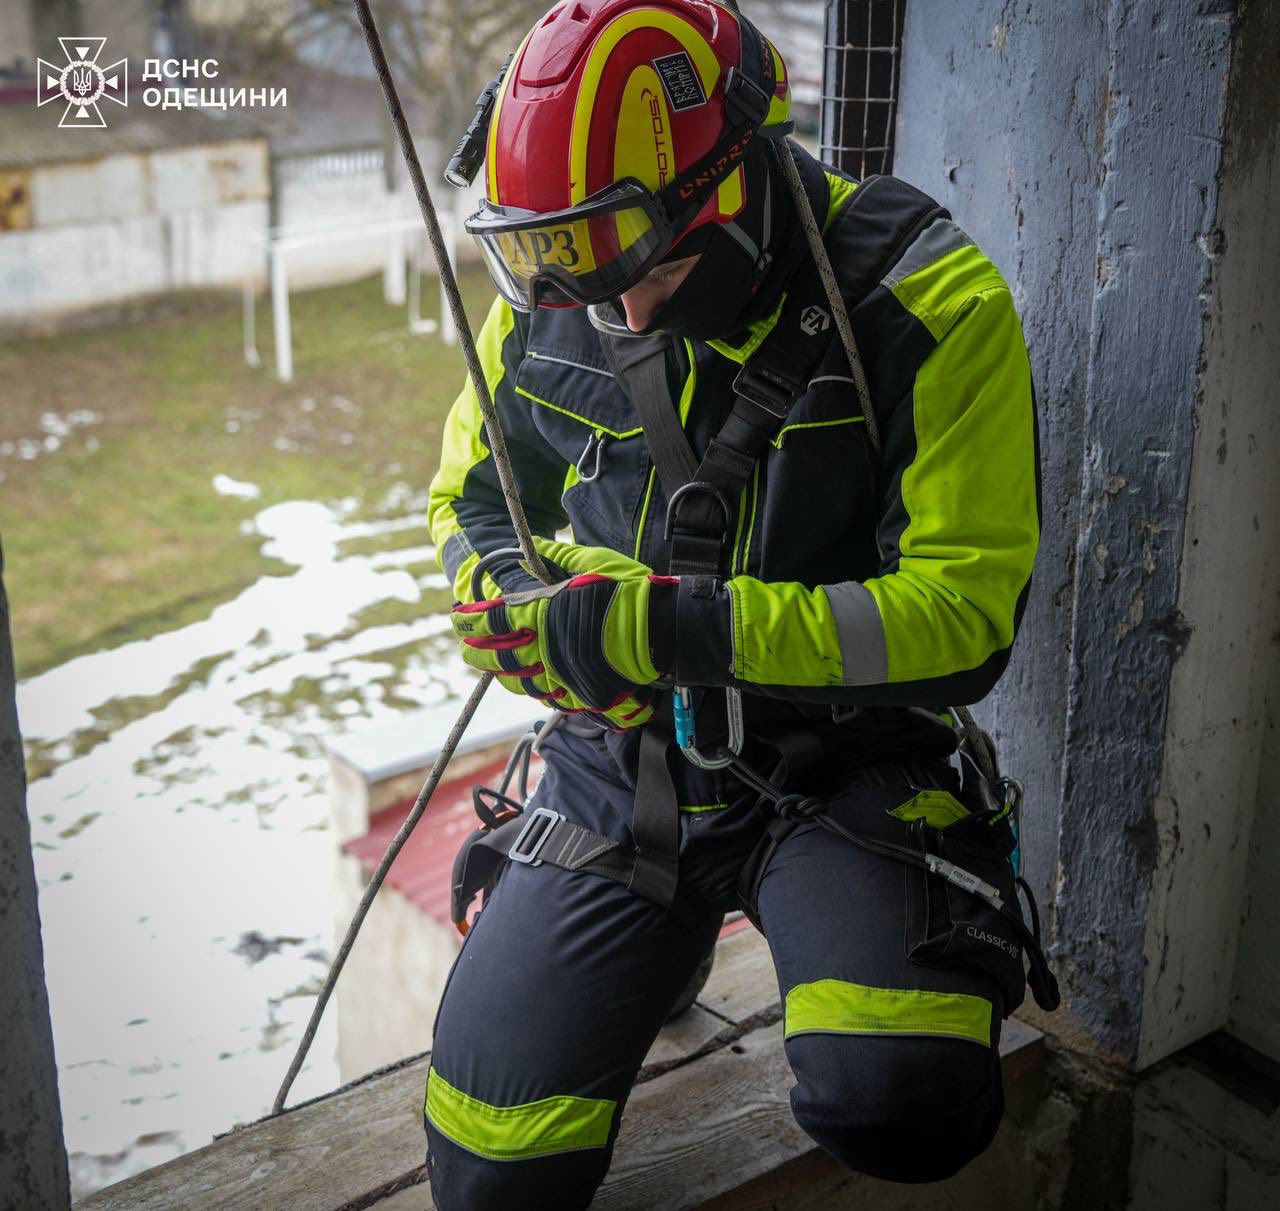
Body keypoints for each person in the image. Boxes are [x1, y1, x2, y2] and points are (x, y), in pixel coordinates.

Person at [424, 1, 1047, 1206]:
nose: (624, 311)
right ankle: (645, 940)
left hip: (846, 764)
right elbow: (469, 501)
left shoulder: (927, 300)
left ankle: (813, 911)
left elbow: (963, 614)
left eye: (649, 264)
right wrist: (510, 604)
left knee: (901, 1103)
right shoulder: (565, 279)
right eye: (574, 272)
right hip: (621, 764)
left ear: (735, 178)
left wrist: (670, 629)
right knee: (489, 1167)